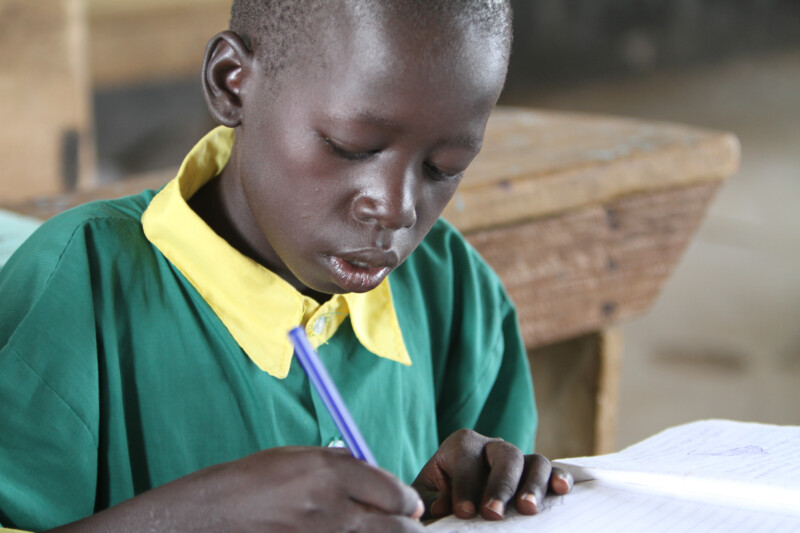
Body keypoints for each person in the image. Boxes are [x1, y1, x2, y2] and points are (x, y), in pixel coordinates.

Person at [0, 1, 572, 531]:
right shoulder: (76, 287)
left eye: (444, 167)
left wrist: (444, 509)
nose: (396, 208)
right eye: (351, 146)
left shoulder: (453, 290)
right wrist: (198, 515)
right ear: (232, 83)